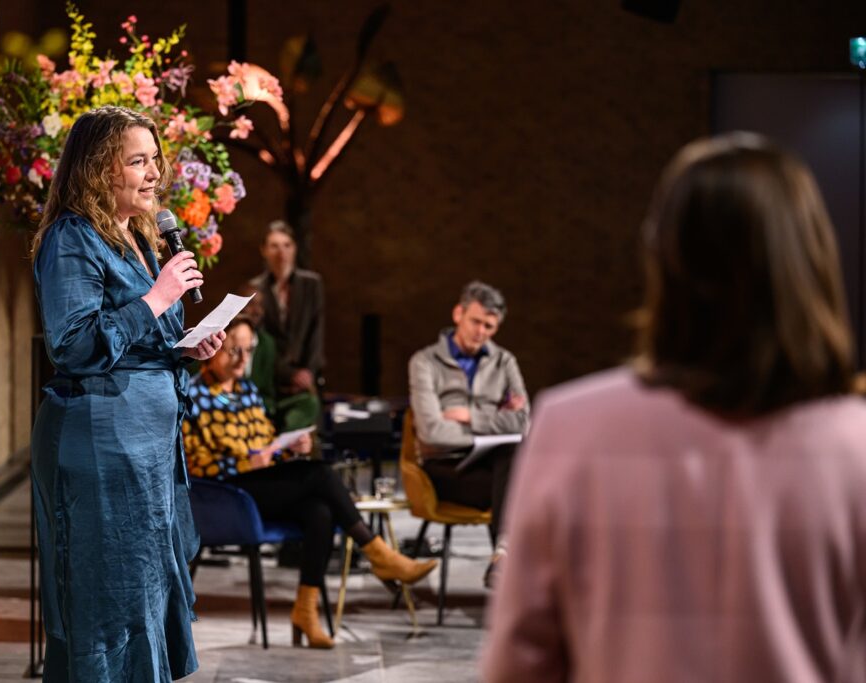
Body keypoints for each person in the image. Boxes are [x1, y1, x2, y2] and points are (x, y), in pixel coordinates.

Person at [482, 133, 866, 683]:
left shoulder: (571, 427)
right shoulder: (856, 448)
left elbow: (520, 664)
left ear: (662, 258)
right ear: (813, 263)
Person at [31, 106, 224, 681]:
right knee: (109, 603)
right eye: (138, 161)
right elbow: (72, 345)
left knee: (144, 592)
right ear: (98, 168)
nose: (154, 173)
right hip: (99, 444)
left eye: (154, 159)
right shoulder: (72, 238)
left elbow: (136, 339)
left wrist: (184, 348)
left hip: (145, 447)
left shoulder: (137, 236)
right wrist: (157, 299)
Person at [183, 316, 438, 649]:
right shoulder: (194, 393)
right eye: (234, 349)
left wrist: (289, 447)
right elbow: (193, 462)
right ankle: (379, 554)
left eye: (248, 350)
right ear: (213, 346)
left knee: (319, 510)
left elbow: (265, 442)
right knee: (321, 474)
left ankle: (306, 610)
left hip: (260, 484)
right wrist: (246, 462)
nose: (243, 359)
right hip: (226, 494)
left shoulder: (246, 391)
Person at [408, 280, 530, 586]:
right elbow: (432, 432)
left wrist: (470, 417)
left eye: (489, 327)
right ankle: (513, 570)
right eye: (475, 322)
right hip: (445, 468)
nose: (481, 332)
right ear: (458, 314)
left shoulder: (504, 361)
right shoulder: (425, 362)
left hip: (492, 465)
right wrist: (495, 422)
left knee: (517, 456)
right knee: (524, 487)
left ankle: (503, 559)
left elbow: (523, 423)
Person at [249, 220, 324, 429]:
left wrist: (308, 371)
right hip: (271, 376)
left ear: (294, 248)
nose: (281, 252)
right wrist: (289, 374)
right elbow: (260, 340)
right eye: (274, 246)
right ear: (264, 250)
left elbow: (316, 331)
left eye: (286, 245)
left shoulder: (312, 284)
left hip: (305, 376)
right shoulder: (256, 289)